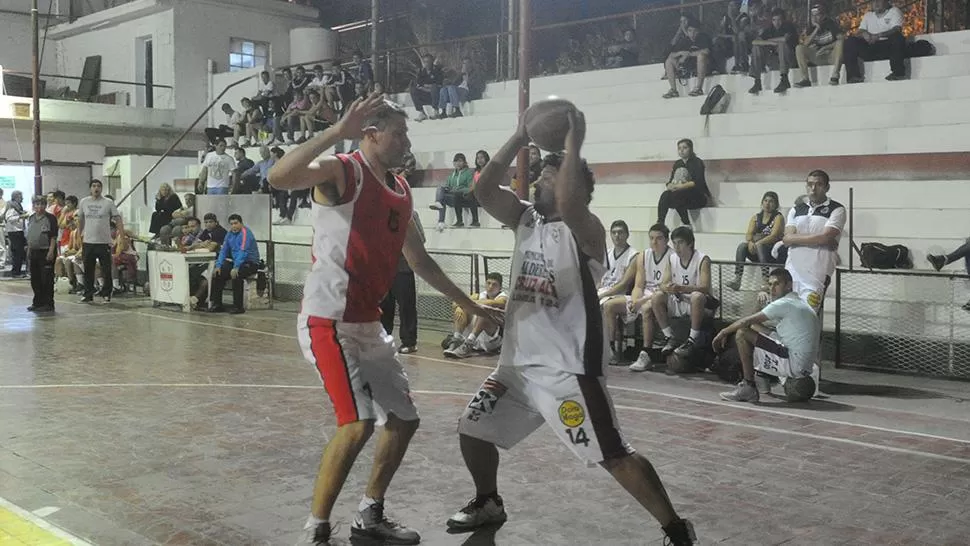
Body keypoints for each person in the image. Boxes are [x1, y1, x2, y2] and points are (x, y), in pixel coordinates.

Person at [446, 110, 696, 545]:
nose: (537, 184)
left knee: (613, 455)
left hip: (567, 369)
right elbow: (482, 189)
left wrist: (574, 144)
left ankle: (676, 529)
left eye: (548, 178)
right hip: (516, 366)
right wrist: (521, 134)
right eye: (540, 177)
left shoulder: (587, 230)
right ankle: (488, 499)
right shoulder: (526, 219)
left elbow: (570, 202)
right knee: (472, 428)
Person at [268, 93, 502, 545]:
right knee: (356, 422)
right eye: (400, 132)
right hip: (327, 319)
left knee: (403, 418)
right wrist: (337, 130)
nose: (406, 139)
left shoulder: (400, 188)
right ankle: (315, 530)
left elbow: (420, 261)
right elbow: (280, 177)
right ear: (371, 134)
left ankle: (369, 512)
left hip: (367, 323)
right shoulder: (343, 169)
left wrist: (472, 306)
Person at [714, 268, 820, 402]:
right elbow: (753, 324)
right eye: (770, 284)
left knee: (742, 333)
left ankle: (749, 386)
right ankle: (762, 376)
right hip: (804, 366)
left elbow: (745, 321)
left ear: (788, 285)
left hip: (792, 364)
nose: (772, 288)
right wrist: (759, 304)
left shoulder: (784, 303)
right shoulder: (798, 303)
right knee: (759, 332)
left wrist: (723, 332)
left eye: (777, 284)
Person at [781, 169, 845, 313]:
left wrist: (796, 239)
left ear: (827, 187)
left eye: (819, 185)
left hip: (817, 272)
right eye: (810, 184)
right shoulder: (796, 209)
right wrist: (820, 239)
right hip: (792, 269)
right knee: (786, 313)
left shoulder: (837, 209)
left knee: (808, 315)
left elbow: (826, 237)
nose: (813, 189)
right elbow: (786, 238)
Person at [647, 225, 713, 361]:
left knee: (696, 296)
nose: (677, 247)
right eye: (675, 243)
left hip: (700, 304)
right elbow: (663, 283)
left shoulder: (702, 259)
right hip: (680, 299)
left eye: (681, 243)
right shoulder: (672, 258)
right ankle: (669, 336)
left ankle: (692, 339)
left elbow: (705, 288)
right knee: (657, 296)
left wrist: (682, 288)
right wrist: (669, 288)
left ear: (690, 243)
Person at [621, 224, 672, 369]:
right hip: (645, 296)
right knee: (610, 306)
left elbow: (664, 287)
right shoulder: (643, 255)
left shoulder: (672, 257)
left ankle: (646, 353)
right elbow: (638, 285)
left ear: (667, 240)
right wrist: (635, 300)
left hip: (664, 297)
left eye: (659, 238)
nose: (654, 242)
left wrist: (640, 302)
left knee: (647, 308)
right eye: (651, 238)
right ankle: (611, 349)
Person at [380, 209, 424, 354]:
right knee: (384, 306)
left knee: (406, 306)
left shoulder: (410, 213)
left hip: (403, 268)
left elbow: (421, 238)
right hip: (383, 268)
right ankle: (383, 338)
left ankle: (409, 341)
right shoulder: (378, 212)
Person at [442, 272, 509, 358]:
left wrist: (466, 303)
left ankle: (469, 343)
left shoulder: (503, 298)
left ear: (500, 287)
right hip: (478, 340)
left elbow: (491, 303)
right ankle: (457, 339)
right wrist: (460, 306)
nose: (490, 287)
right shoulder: (479, 296)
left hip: (493, 341)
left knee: (483, 312)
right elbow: (455, 303)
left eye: (494, 284)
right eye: (488, 283)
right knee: (461, 310)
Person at [726, 191, 784, 290]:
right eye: (765, 201)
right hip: (757, 252)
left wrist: (758, 243)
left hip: (771, 253)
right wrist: (750, 242)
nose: (767, 204)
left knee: (760, 246)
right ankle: (738, 279)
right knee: (742, 246)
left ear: (776, 205)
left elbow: (774, 236)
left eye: (771, 201)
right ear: (762, 203)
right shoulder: (756, 217)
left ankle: (765, 279)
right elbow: (749, 234)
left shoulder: (778, 217)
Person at [77, 179, 122, 303]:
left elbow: (117, 218)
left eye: (98, 186)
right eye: (93, 186)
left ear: (101, 188)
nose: (96, 188)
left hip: (103, 241)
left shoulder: (108, 202)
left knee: (106, 269)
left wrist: (121, 235)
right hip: (88, 241)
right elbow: (80, 219)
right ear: (90, 188)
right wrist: (79, 234)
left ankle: (106, 293)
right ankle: (88, 293)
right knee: (88, 269)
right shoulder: (84, 202)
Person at [843, 0, 906, 83]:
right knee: (850, 41)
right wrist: (864, 34)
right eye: (873, 1)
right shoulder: (868, 15)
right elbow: (859, 32)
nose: (876, 3)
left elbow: (897, 29)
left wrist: (879, 35)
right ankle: (853, 76)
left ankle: (898, 73)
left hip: (888, 47)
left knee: (897, 37)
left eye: (879, 1)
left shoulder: (894, 11)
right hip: (871, 48)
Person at [208, 214, 260, 314]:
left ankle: (238, 306)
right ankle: (217, 304)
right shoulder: (229, 234)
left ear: (241, 223)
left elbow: (243, 251)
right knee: (218, 273)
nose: (233, 226)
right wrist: (218, 265)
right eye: (231, 224)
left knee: (237, 275)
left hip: (250, 262)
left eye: (236, 223)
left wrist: (236, 267)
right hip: (236, 261)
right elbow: (223, 251)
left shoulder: (246, 234)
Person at [657, 139, 711, 227]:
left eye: (684, 148)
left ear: (691, 149)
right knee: (665, 195)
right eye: (679, 148)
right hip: (681, 197)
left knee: (678, 194)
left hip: (697, 196)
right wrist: (670, 186)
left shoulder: (697, 162)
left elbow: (697, 182)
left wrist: (680, 187)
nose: (681, 150)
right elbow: (671, 180)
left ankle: (686, 223)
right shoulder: (677, 163)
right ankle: (660, 223)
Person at [748, 7, 799, 94]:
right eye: (774, 20)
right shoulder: (770, 29)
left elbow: (784, 39)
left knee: (782, 45)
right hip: (775, 60)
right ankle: (757, 81)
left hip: (790, 59)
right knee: (756, 48)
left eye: (779, 20)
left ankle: (784, 79)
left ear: (783, 20)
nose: (777, 23)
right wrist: (770, 43)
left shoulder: (788, 26)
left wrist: (770, 41)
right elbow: (754, 41)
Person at [794, 3, 845, 87]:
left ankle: (835, 76)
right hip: (818, 56)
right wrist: (817, 29)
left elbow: (841, 39)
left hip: (831, 56)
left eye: (817, 15)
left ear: (823, 16)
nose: (814, 18)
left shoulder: (830, 24)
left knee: (839, 43)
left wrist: (826, 47)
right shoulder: (811, 28)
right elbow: (805, 44)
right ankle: (805, 79)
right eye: (813, 15)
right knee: (799, 48)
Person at [662, 19, 712, 98]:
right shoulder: (685, 40)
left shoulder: (703, 37)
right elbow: (671, 55)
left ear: (699, 31)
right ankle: (673, 90)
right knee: (669, 61)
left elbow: (706, 51)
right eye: (690, 31)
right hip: (689, 67)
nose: (692, 34)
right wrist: (681, 53)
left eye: (695, 31)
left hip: (705, 66)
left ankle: (698, 88)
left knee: (701, 56)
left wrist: (689, 54)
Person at [26, 195, 59, 312]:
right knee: (35, 279)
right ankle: (38, 302)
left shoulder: (50, 218)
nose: (39, 207)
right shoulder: (31, 218)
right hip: (34, 251)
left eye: (42, 204)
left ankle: (48, 303)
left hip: (46, 251)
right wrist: (29, 250)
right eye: (37, 204)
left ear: (45, 205)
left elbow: (53, 236)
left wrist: (51, 251)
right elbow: (30, 236)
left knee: (46, 278)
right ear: (33, 206)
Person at [430, 153, 478, 230]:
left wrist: (457, 190)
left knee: (452, 196)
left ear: (464, 162)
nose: (458, 163)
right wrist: (447, 189)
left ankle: (457, 220)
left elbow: (470, 189)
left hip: (463, 198)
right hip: (453, 198)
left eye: (460, 161)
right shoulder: (451, 176)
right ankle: (441, 221)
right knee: (441, 190)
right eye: (456, 161)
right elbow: (448, 187)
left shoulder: (468, 173)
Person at [3, 190, 28, 278]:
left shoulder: (17, 206)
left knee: (19, 252)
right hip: (15, 232)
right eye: (21, 197)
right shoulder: (12, 206)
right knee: (18, 253)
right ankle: (16, 272)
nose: (22, 198)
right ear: (16, 197)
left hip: (17, 231)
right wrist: (21, 216)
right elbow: (9, 218)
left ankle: (17, 271)